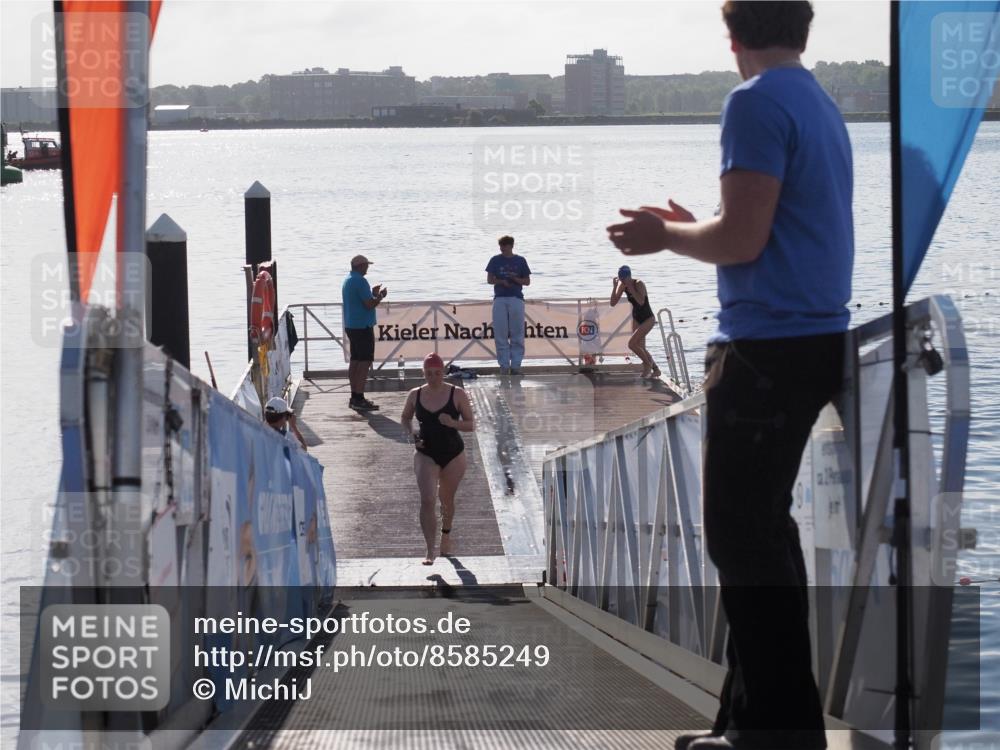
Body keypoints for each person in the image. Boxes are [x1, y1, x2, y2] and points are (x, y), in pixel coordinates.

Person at [608, 3, 852, 749]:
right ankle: (753, 722)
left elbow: (742, 240)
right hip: (812, 339)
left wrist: (664, 236)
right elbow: (776, 226)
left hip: (764, 349)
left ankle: (776, 731)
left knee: (741, 541)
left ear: (733, 37)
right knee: (763, 537)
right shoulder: (818, 102)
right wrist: (696, 220)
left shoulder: (754, 101)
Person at [400, 353, 475, 565]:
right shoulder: (415, 394)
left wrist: (453, 423)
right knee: (427, 500)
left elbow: (471, 424)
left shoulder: (457, 394)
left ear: (443, 372)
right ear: (423, 373)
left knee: (446, 501)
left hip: (453, 454)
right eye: (428, 374)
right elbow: (405, 417)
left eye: (437, 373)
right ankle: (430, 550)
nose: (433, 377)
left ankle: (446, 535)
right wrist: (411, 433)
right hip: (426, 452)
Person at [341, 254, 387, 411]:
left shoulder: (348, 279)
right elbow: (369, 304)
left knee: (355, 360)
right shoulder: (360, 281)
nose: (368, 268)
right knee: (364, 362)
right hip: (362, 327)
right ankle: (359, 397)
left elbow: (362, 300)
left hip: (351, 325)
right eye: (366, 265)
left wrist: (373, 294)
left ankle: (354, 396)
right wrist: (380, 296)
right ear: (360, 266)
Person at [485, 235, 531, 375]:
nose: (502, 249)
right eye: (500, 246)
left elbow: (527, 281)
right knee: (501, 333)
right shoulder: (495, 260)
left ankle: (516, 365)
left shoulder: (520, 260)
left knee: (517, 333)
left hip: (516, 298)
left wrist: (515, 279)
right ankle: (504, 366)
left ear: (511, 246)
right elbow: (489, 280)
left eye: (504, 246)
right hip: (500, 298)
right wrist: (500, 282)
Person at [610, 265, 661, 379]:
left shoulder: (639, 283)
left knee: (631, 344)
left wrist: (631, 288)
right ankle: (656, 370)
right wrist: (614, 287)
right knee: (640, 347)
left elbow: (641, 302)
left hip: (648, 318)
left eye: (624, 278)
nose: (622, 280)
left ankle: (647, 365)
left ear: (629, 276)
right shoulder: (622, 285)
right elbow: (613, 303)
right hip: (637, 318)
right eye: (621, 278)